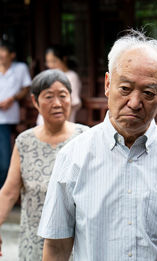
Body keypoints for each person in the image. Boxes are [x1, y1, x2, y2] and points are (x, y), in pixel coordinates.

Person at [38, 30, 157, 261]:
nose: (134, 103)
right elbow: (56, 247)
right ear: (107, 84)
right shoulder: (73, 156)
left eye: (148, 93)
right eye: (124, 89)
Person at [0, 69, 88, 260]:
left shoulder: (86, 138)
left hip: (75, 244)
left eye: (63, 96)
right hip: (34, 242)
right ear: (34, 101)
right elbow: (9, 191)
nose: (57, 103)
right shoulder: (25, 142)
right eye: (48, 97)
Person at [0, 40, 31, 188]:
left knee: (5, 162)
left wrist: (12, 98)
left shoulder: (20, 68)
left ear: (12, 54)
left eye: (3, 50)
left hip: (8, 117)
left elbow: (26, 88)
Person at [37, 45, 82, 124]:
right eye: (48, 62)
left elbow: (71, 103)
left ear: (64, 59)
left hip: (61, 124)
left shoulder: (71, 76)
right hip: (43, 124)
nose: (51, 65)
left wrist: (63, 126)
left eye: (54, 61)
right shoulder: (47, 76)